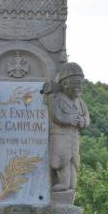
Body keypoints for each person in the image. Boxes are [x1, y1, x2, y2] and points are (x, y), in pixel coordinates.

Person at [45, 62, 89, 194]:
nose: (79, 87)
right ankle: (63, 183)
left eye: (81, 83)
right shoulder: (55, 98)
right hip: (60, 136)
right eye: (76, 83)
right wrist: (69, 119)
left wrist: (82, 121)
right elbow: (55, 115)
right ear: (65, 84)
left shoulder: (80, 101)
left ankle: (71, 185)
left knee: (74, 160)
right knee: (61, 159)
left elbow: (87, 117)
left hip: (73, 136)